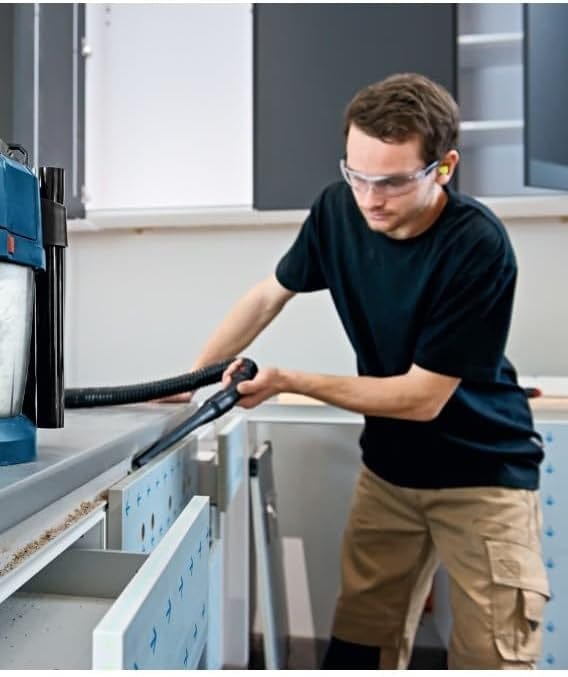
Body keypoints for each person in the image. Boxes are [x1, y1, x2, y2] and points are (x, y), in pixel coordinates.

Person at [179, 73, 549, 669]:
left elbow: (421, 398)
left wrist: (289, 380)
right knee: (358, 649)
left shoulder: (476, 245)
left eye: (394, 181)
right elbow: (269, 295)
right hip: (391, 472)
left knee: (494, 657)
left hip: (483, 475)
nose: (371, 198)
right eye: (357, 174)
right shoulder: (337, 210)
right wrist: (192, 378)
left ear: (444, 168)